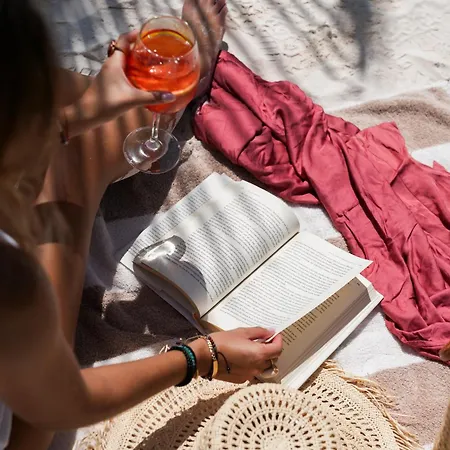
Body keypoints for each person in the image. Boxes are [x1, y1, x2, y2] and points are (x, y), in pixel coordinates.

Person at [0, 0, 283, 449]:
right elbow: (61, 403)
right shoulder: (11, 279)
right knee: (71, 163)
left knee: (64, 105)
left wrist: (77, 115)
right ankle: (159, 107)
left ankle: (135, 111)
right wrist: (200, 357)